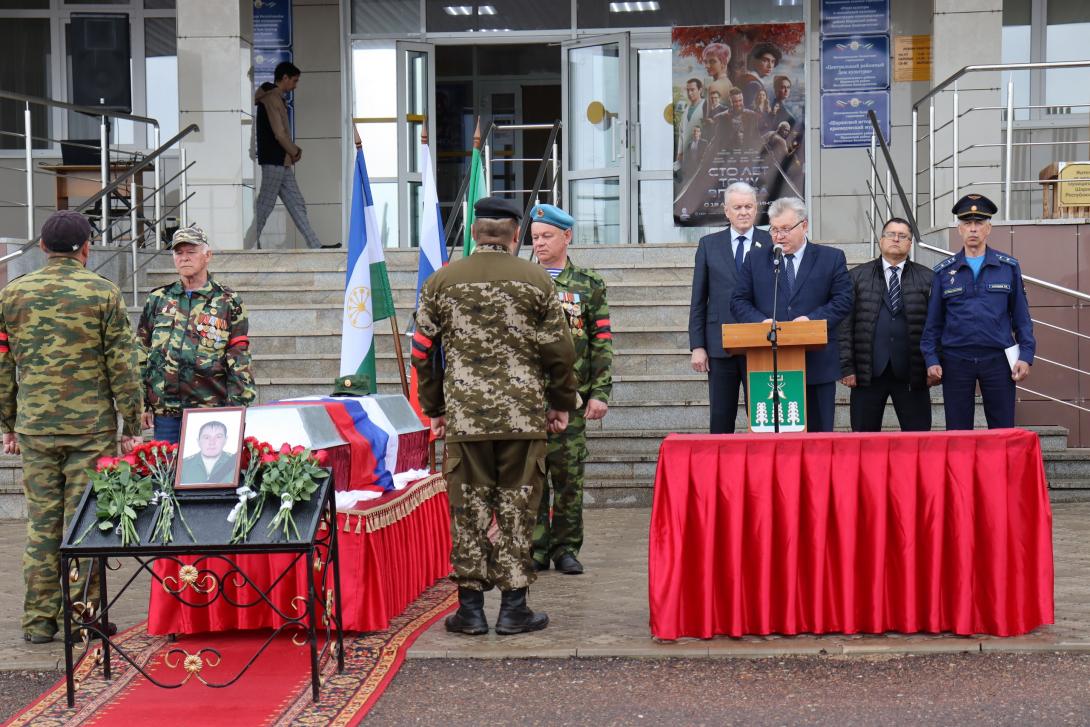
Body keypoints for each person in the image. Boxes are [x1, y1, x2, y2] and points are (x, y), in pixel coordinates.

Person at [411, 196, 578, 636]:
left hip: (465, 420)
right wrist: (560, 403)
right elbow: (559, 352)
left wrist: (435, 409)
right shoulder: (536, 279)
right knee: (517, 510)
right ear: (516, 235)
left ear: (474, 232)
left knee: (467, 511)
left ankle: (469, 610)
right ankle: (513, 608)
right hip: (523, 420)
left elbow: (423, 353)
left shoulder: (442, 282)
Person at [0, 210, 144, 644]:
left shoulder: (12, 295)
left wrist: (8, 422)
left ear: (42, 248)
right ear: (86, 248)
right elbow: (123, 364)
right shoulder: (103, 293)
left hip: (37, 427)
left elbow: (3, 366)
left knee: (41, 526)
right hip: (91, 430)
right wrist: (132, 421)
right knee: (86, 523)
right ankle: (81, 619)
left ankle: (38, 621)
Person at [528, 203, 612, 576]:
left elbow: (601, 341)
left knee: (568, 477)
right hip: (530, 399)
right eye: (534, 238)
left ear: (567, 236)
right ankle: (535, 547)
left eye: (547, 236)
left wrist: (600, 393)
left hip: (573, 400)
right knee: (533, 477)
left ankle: (565, 548)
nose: (540, 244)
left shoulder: (588, 285)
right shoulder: (523, 281)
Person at [731, 196, 853, 432]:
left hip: (817, 366)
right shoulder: (756, 259)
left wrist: (811, 321)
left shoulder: (831, 258)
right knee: (775, 443)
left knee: (819, 441)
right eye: (774, 230)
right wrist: (761, 322)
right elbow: (738, 300)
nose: (778, 236)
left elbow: (843, 300)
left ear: (804, 225)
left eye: (786, 229)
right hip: (769, 370)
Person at [921, 194, 1035, 429]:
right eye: (967, 223)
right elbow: (933, 323)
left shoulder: (1008, 267)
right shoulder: (944, 272)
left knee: (1002, 428)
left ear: (989, 228)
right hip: (956, 360)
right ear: (959, 229)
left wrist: (1026, 355)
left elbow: (1022, 318)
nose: (973, 229)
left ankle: (1000, 468)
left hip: (998, 359)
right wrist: (931, 358)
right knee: (958, 430)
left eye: (979, 223)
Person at [137, 225, 257, 444]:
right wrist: (142, 403)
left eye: (191, 252)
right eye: (178, 253)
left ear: (207, 255)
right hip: (166, 412)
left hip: (211, 410)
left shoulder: (228, 301)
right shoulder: (158, 298)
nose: (184, 258)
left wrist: (238, 406)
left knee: (209, 474)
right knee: (167, 474)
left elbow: (239, 357)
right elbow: (141, 352)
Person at [689, 182, 771, 434]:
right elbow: (698, 299)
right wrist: (698, 346)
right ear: (726, 211)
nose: (744, 212)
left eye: (748, 206)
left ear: (756, 208)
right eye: (738, 207)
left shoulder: (771, 242)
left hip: (760, 344)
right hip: (719, 345)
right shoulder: (708, 244)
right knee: (721, 417)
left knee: (761, 417)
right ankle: (719, 472)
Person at [838, 218, 934, 432]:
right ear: (881, 240)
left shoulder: (928, 278)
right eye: (891, 234)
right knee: (864, 441)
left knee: (918, 441)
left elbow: (935, 326)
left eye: (903, 236)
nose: (896, 239)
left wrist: (933, 363)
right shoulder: (856, 277)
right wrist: (847, 367)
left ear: (910, 244)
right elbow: (845, 326)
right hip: (867, 373)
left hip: (913, 372)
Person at [253, 61, 338, 250]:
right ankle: (248, 246)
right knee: (265, 206)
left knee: (297, 203)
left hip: (280, 162)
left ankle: (315, 246)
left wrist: (290, 153)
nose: (295, 85)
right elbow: (279, 133)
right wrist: (295, 151)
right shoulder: (272, 98)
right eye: (294, 80)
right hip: (274, 161)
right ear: (284, 78)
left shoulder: (273, 97)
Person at [179, 420, 238, 485]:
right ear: (198, 441)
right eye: (206, 437)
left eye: (218, 437)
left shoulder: (236, 462)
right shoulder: (183, 465)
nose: (212, 442)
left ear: (225, 440)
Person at [737, 42, 782, 107]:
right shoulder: (754, 85)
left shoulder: (747, 79)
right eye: (765, 61)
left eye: (773, 61)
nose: (770, 66)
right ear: (755, 60)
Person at [676, 77, 705, 158]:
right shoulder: (686, 110)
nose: (689, 93)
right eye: (688, 90)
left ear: (700, 90)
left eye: (692, 90)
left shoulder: (706, 106)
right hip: (686, 153)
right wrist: (680, 152)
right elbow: (681, 133)